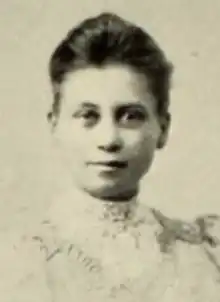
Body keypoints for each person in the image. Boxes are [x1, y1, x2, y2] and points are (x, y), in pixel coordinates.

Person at [4, 12, 220, 302]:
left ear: (163, 128)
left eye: (131, 116)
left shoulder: (204, 254)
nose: (109, 140)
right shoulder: (14, 260)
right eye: (88, 116)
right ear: (55, 125)